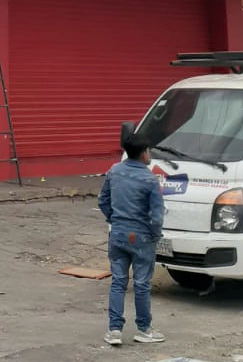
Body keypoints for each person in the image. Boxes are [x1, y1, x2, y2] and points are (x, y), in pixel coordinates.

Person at [97, 137, 165, 345]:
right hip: (142, 236)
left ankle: (114, 330)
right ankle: (144, 329)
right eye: (149, 150)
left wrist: (113, 219)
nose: (150, 154)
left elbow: (103, 200)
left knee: (118, 282)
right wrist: (155, 234)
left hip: (118, 233)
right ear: (143, 153)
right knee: (142, 284)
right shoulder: (150, 179)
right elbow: (157, 215)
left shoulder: (114, 171)